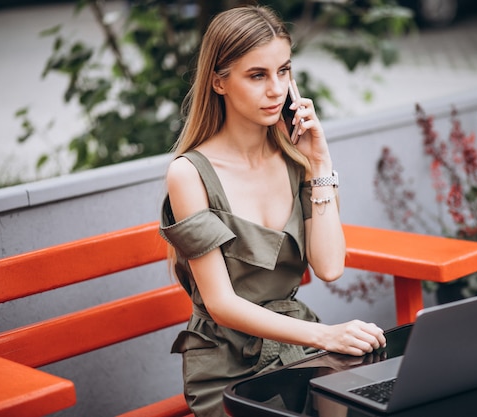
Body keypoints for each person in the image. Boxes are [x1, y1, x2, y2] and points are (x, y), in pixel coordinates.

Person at [159, 5, 386, 416]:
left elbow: (330, 266)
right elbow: (221, 304)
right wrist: (326, 336)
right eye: (257, 75)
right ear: (219, 81)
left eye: (284, 71)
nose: (276, 90)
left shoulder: (295, 160)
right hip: (228, 364)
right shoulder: (189, 174)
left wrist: (319, 164)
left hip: (299, 348)